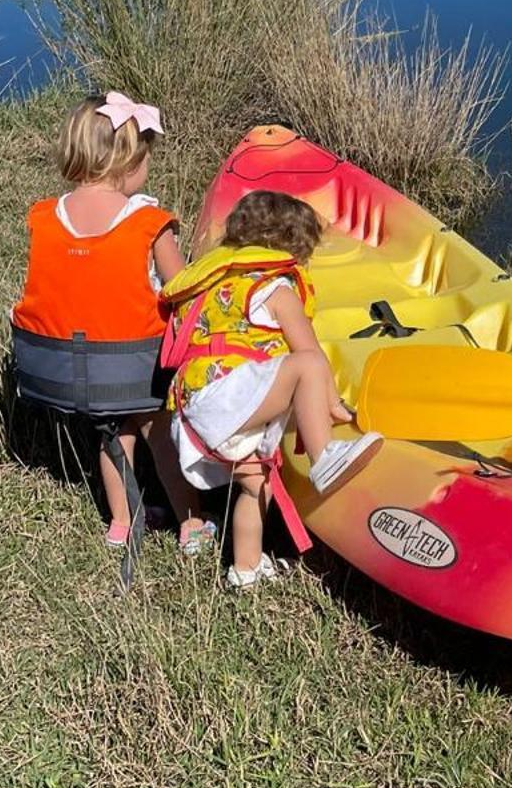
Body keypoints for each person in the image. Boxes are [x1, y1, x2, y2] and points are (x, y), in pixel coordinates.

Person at [11, 92, 214, 556]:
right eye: (146, 160)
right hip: (134, 368)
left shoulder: (45, 217)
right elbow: (181, 289)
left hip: (58, 371)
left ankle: (121, 523)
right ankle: (192, 523)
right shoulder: (148, 222)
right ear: (127, 163)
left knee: (113, 431)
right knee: (156, 430)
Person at [161, 190, 381, 591]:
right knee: (309, 365)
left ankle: (245, 570)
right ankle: (324, 457)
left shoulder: (213, 285)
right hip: (224, 403)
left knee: (256, 484)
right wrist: (335, 407)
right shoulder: (276, 289)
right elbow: (308, 351)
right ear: (292, 248)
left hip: (189, 413)